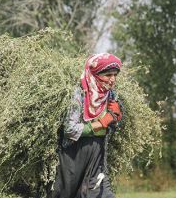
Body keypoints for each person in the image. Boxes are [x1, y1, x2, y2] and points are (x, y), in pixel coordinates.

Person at [52, 53, 123, 198]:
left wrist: (116, 118)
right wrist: (99, 124)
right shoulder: (78, 94)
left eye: (115, 75)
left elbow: (112, 127)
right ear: (95, 74)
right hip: (72, 155)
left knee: (103, 194)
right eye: (108, 75)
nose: (112, 80)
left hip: (97, 155)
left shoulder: (110, 95)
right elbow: (70, 129)